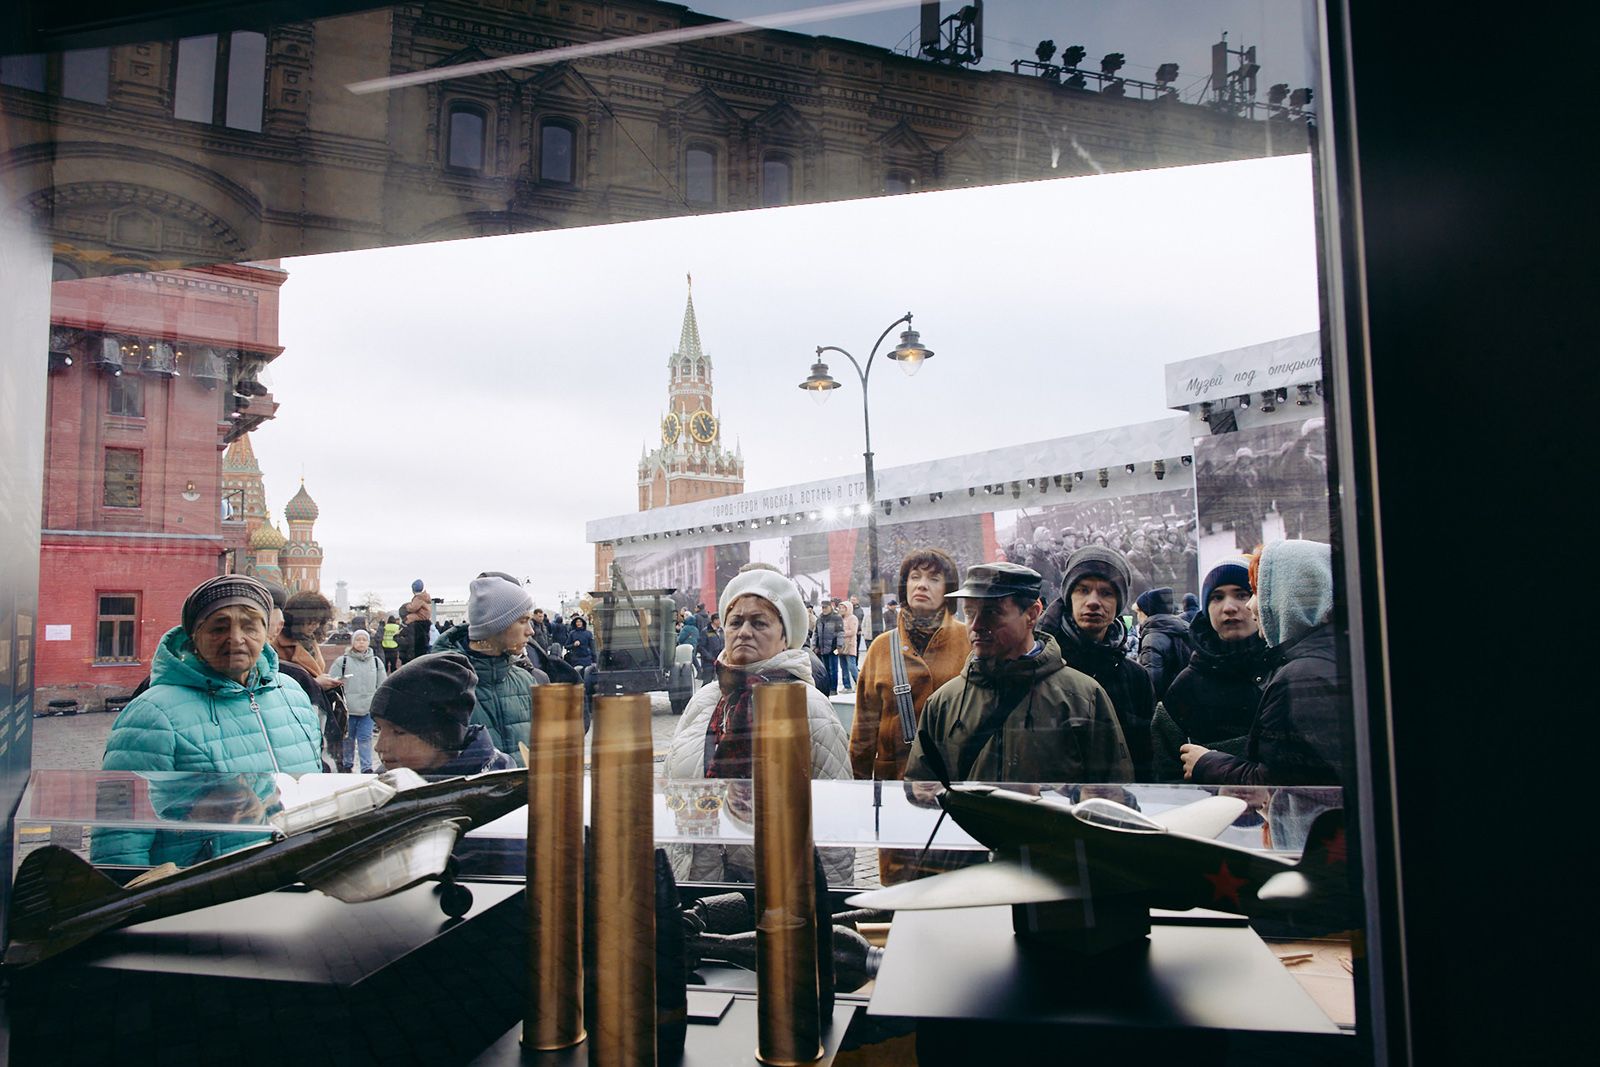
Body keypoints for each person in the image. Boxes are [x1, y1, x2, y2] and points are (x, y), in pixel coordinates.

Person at [96, 575, 322, 866]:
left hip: (295, 869)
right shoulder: (152, 713)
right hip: (207, 881)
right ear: (194, 636)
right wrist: (132, 888)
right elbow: (118, 833)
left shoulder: (291, 694)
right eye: (219, 627)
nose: (236, 638)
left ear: (267, 633)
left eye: (250, 626)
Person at [664, 567, 851, 882]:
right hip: (699, 888)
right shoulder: (704, 701)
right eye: (735, 622)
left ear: (785, 637)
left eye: (759, 622)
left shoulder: (808, 706)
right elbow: (671, 793)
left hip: (776, 892)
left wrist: (830, 902)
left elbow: (836, 821)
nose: (744, 632)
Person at [904, 563, 1133, 784]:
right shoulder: (943, 703)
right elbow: (921, 788)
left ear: (1032, 614)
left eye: (992, 613)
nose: (976, 625)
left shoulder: (1084, 697)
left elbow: (1113, 791)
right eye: (970, 613)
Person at [1181, 540, 1346, 786]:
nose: (1249, 606)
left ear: (1288, 597)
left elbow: (1281, 785)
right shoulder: (1336, 655)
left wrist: (1207, 763)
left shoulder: (1300, 676)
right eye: (1217, 597)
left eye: (1256, 592)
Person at [1038, 545, 1157, 781]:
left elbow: (1146, 759)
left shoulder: (1136, 678)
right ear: (1069, 597)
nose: (1093, 601)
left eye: (1106, 593)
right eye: (1083, 590)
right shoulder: (1039, 667)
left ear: (1119, 603)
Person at [850, 548, 969, 781]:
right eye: (915, 577)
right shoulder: (881, 647)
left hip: (957, 782)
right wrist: (858, 785)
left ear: (949, 590)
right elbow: (864, 729)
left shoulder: (969, 642)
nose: (922, 585)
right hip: (895, 782)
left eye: (934, 579)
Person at [1150, 555, 1270, 781]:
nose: (1229, 607)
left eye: (1241, 594)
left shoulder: (1285, 672)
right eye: (1217, 597)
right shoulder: (1185, 688)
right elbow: (1168, 778)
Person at [434, 572, 539, 763]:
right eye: (523, 621)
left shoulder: (526, 681)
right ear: (497, 625)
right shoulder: (444, 686)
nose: (531, 631)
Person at [372, 652, 516, 774]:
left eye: (398, 732)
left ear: (442, 736)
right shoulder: (382, 785)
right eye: (379, 728)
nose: (379, 746)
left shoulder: (498, 789)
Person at [273, 590, 343, 770]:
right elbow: (276, 682)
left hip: (314, 710)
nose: (315, 625)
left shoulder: (310, 641)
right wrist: (315, 683)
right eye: (311, 620)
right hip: (291, 715)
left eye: (318, 621)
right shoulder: (277, 644)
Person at [329, 628, 386, 772]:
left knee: (365, 738)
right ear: (353, 642)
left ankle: (366, 767)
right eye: (358, 639)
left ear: (369, 642)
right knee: (348, 738)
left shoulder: (376, 662)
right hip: (348, 709)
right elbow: (332, 682)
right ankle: (347, 765)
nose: (361, 642)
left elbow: (382, 686)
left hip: (368, 709)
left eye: (364, 640)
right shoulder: (342, 661)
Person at [1134, 586, 1195, 702]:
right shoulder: (1181, 627)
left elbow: (1151, 683)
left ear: (1145, 612)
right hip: (1184, 699)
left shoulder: (1152, 638)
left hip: (1164, 705)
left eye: (1138, 612)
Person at [814, 599, 844, 696]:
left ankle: (833, 689)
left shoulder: (837, 618)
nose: (824, 609)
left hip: (833, 648)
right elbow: (816, 633)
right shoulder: (819, 619)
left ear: (830, 607)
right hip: (822, 648)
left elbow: (840, 633)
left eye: (826, 607)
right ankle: (827, 688)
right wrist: (814, 646)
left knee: (834, 669)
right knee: (825, 670)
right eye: (822, 608)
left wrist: (839, 646)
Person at [401, 579, 433, 664]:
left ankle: (403, 625)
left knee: (408, 618)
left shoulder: (419, 598)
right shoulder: (425, 597)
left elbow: (412, 608)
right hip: (424, 618)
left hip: (419, 617)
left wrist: (407, 606)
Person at [696, 613, 724, 684]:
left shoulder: (721, 631)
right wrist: (711, 658)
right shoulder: (706, 631)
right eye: (719, 620)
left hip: (720, 661)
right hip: (708, 663)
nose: (721, 622)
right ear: (714, 620)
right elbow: (701, 647)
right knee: (707, 682)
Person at [839, 600, 860, 692]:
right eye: (840, 608)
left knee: (852, 666)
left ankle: (859, 683)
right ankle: (847, 686)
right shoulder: (840, 618)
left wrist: (841, 633)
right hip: (841, 646)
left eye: (843, 608)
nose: (841, 609)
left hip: (850, 645)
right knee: (843, 667)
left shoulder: (853, 618)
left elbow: (853, 631)